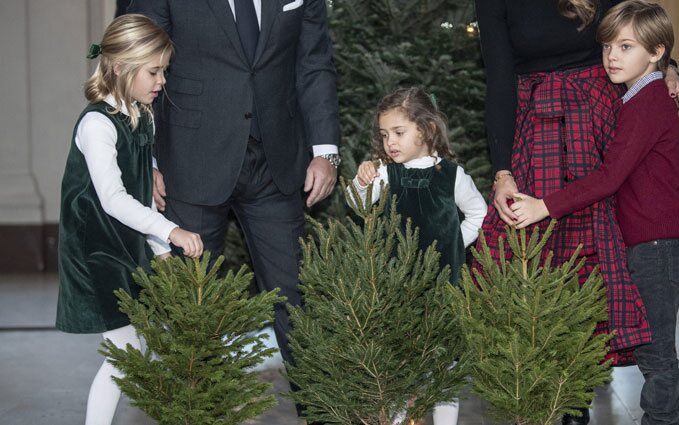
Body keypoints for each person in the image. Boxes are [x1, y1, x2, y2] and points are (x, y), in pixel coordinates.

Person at [510, 2, 679, 424]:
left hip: (657, 242)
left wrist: (544, 205)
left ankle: (662, 420)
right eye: (607, 47)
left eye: (626, 46)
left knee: (653, 348)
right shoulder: (650, 100)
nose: (612, 57)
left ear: (657, 52)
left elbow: (608, 177)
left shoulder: (644, 104)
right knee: (657, 343)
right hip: (665, 237)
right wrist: (659, 189)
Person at [127, 0, 340, 380]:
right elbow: (136, 58)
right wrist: (147, 159)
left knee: (296, 300)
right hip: (189, 162)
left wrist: (326, 151)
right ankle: (198, 414)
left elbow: (314, 62)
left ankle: (316, 413)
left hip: (276, 163)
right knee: (191, 304)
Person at [56, 14, 204, 425]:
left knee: (132, 352)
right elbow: (115, 199)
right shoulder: (97, 124)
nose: (162, 81)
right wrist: (169, 232)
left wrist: (157, 248)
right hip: (95, 249)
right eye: (154, 71)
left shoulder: (142, 115)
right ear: (120, 67)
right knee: (126, 354)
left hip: (125, 245)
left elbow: (143, 191)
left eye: (164, 72)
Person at [350, 87, 487, 425]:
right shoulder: (384, 173)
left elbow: (479, 214)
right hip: (395, 287)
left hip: (442, 289)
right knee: (398, 365)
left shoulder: (451, 175)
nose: (389, 142)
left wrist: (455, 245)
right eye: (384, 135)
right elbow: (360, 207)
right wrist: (362, 183)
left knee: (444, 371)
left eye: (398, 133)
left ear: (425, 130)